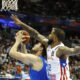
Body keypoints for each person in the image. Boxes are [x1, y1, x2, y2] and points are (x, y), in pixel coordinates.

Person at [11, 15, 80, 80]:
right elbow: (35, 34)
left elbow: (73, 50)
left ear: (55, 37)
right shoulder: (48, 44)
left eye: (51, 34)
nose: (49, 35)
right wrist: (20, 23)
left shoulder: (61, 49)